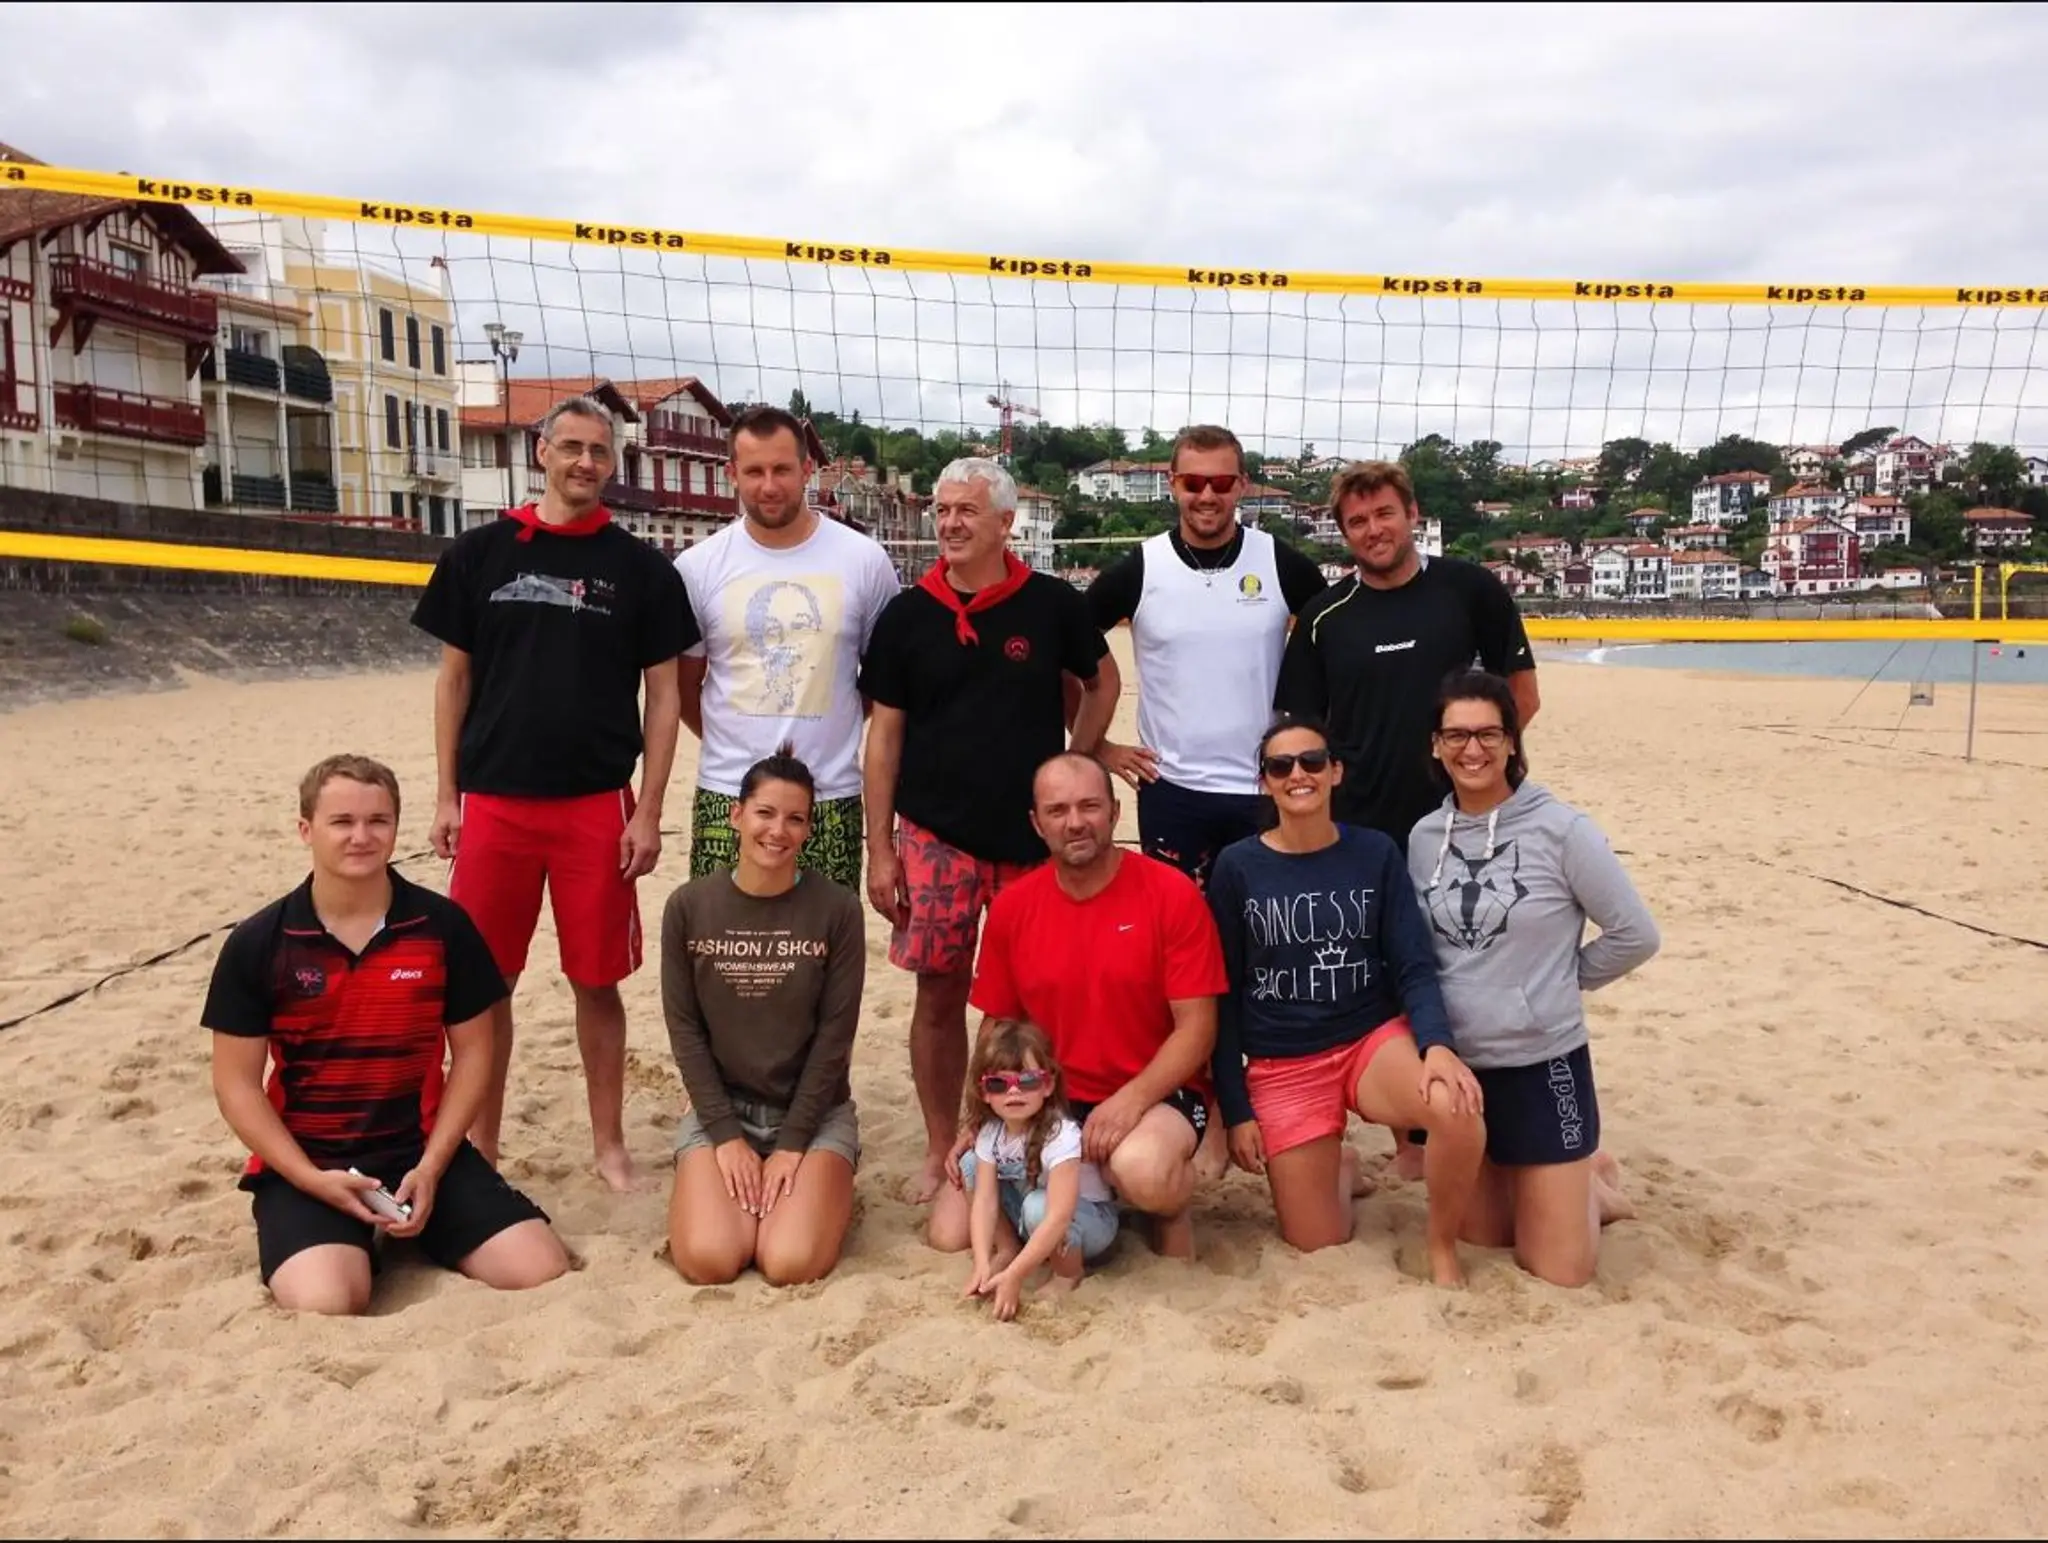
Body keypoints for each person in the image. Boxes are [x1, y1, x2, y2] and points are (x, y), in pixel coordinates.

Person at [410, 394, 696, 1194]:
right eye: (571, 447)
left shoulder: (641, 568)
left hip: (595, 803)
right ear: (541, 451)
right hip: (494, 801)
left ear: (614, 462)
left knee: (596, 981)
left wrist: (648, 809)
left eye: (599, 451)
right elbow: (453, 680)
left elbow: (665, 698)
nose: (584, 463)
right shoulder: (479, 552)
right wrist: (445, 795)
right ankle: (483, 1148)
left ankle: (608, 1146)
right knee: (484, 985)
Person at [202, 755, 571, 1315]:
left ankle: (418, 1224)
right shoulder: (260, 942)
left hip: (419, 1152)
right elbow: (237, 1087)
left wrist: (432, 1167)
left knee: (539, 1269)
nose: (361, 836)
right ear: (306, 830)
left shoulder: (441, 926)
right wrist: (309, 1177)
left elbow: (475, 1054)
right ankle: (344, 1236)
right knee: (328, 1301)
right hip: (310, 1159)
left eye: (378, 821)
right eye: (342, 822)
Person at [858, 457, 1120, 1205]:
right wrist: (882, 849)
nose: (949, 523)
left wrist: (1075, 762)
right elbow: (883, 738)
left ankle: (1027, 1139)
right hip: (936, 835)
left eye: (967, 510)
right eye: (941, 511)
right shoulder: (909, 615)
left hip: (1028, 841)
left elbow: (1102, 681)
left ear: (1006, 523)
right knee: (938, 996)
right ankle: (944, 1144)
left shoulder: (1049, 604)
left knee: (1027, 1006)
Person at [1273, 458, 1540, 1178]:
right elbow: (1300, 731)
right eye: (1357, 522)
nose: (1373, 530)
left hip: (1465, 823)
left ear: (1411, 512)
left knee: (1474, 962)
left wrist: (1480, 774)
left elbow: (1521, 696)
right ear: (1343, 533)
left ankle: (1500, 1123)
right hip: (1363, 830)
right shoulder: (1327, 616)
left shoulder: (1468, 589)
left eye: (1384, 514)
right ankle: (1411, 1140)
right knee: (1385, 975)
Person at [1207, 717, 1487, 1285]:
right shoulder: (1237, 867)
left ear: (1335, 772)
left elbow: (1412, 962)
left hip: (1368, 1041)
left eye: (1311, 761)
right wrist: (1235, 1109)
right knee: (1315, 1241)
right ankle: (1340, 1160)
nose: (1298, 775)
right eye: (1281, 766)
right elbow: (1224, 993)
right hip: (1285, 1061)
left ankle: (1440, 1246)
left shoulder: (1375, 852)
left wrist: (1437, 1045)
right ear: (1265, 782)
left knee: (1457, 1109)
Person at [1411, 670, 1658, 1287]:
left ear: (1513, 741)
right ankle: (1564, 1184)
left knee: (1559, 1270)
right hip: (1464, 1070)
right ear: (1436, 746)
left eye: (1490, 734)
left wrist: (1559, 981)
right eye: (1457, 736)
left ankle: (1590, 1187)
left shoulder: (1562, 830)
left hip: (1543, 1062)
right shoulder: (1422, 839)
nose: (1474, 750)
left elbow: (1635, 934)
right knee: (1485, 1236)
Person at [930, 752, 1227, 1260]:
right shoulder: (1013, 908)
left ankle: (1167, 1210)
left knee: (1142, 1170)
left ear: (1115, 812)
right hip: (1051, 1097)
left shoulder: (1170, 893)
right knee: (948, 1233)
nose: (1075, 823)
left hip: (1155, 1094)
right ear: (1036, 823)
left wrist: (1130, 1101)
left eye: (1090, 806)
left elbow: (1197, 1030)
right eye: (1058, 810)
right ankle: (1078, 1201)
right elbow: (996, 1027)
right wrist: (975, 1119)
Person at [1084, 424, 1327, 888]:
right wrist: (1097, 745)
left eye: (1221, 482)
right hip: (1172, 791)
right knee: (1179, 940)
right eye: (1194, 483)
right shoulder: (1142, 567)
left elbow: (1340, 644)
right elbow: (1066, 650)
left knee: (1263, 942)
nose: (1207, 495)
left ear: (1242, 484)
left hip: (1264, 786)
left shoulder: (1280, 562)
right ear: (1173, 482)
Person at [660, 745, 865, 1287]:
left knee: (787, 1263)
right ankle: (727, 1192)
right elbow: (685, 1032)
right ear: (737, 814)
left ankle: (823, 1187)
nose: (778, 831)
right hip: (723, 1111)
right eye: (765, 813)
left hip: (813, 1114)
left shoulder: (838, 909)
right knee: (711, 1260)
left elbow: (834, 1038)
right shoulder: (688, 906)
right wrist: (726, 1136)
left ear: (809, 830)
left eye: (796, 819)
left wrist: (793, 1144)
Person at [677, 404, 902, 892]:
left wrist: (831, 722)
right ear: (731, 474)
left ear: (807, 470)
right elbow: (684, 687)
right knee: (722, 950)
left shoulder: (865, 561)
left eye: (782, 469)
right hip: (728, 792)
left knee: (823, 953)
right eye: (754, 471)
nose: (769, 485)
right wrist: (734, 739)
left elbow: (880, 684)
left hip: (830, 793)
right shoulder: (698, 567)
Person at [957, 1019, 1121, 1321]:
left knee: (1038, 1207)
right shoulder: (991, 1133)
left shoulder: (1060, 1133)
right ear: (984, 1092)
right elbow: (984, 1202)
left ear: (1047, 1085)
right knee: (969, 1164)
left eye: (1028, 1081)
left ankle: (1067, 1273)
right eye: (999, 1084)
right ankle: (1005, 1249)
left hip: (1090, 1221)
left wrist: (1016, 1277)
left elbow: (1059, 1214)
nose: (1014, 1092)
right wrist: (980, 1262)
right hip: (1040, 1209)